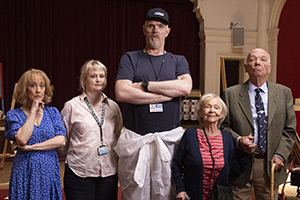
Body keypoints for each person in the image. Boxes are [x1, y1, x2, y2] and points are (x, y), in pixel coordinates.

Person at [114, 7, 192, 200]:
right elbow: (122, 92)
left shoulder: (178, 61)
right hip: (136, 140)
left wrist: (146, 86)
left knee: (166, 193)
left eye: (160, 26)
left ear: (168, 31)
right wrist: (166, 95)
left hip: (168, 142)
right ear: (144, 29)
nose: (155, 30)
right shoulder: (130, 58)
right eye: (151, 26)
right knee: (134, 193)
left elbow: (185, 88)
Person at [221, 48, 297, 199]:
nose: (257, 63)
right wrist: (238, 140)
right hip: (240, 163)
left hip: (270, 164)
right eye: (253, 59)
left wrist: (280, 155)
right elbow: (222, 127)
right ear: (246, 67)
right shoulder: (230, 94)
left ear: (269, 67)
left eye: (263, 59)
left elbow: (289, 129)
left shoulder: (283, 93)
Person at [60, 59, 123, 200]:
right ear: (84, 79)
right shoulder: (71, 106)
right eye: (93, 76)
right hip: (79, 172)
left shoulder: (113, 107)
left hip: (108, 172)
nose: (98, 80)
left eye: (102, 76)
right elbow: (63, 139)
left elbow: (119, 136)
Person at [172, 93, 250, 200]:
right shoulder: (190, 135)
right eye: (207, 107)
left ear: (222, 114)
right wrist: (180, 190)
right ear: (200, 112)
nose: (212, 110)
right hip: (192, 195)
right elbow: (176, 164)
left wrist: (247, 152)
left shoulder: (227, 138)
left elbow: (235, 168)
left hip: (220, 196)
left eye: (216, 108)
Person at [5, 69, 66, 200]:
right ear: (24, 89)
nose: (38, 90)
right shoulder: (13, 115)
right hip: (24, 170)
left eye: (42, 85)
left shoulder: (52, 112)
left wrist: (31, 147)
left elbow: (61, 140)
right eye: (33, 85)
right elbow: (21, 139)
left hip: (48, 169)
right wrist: (33, 111)